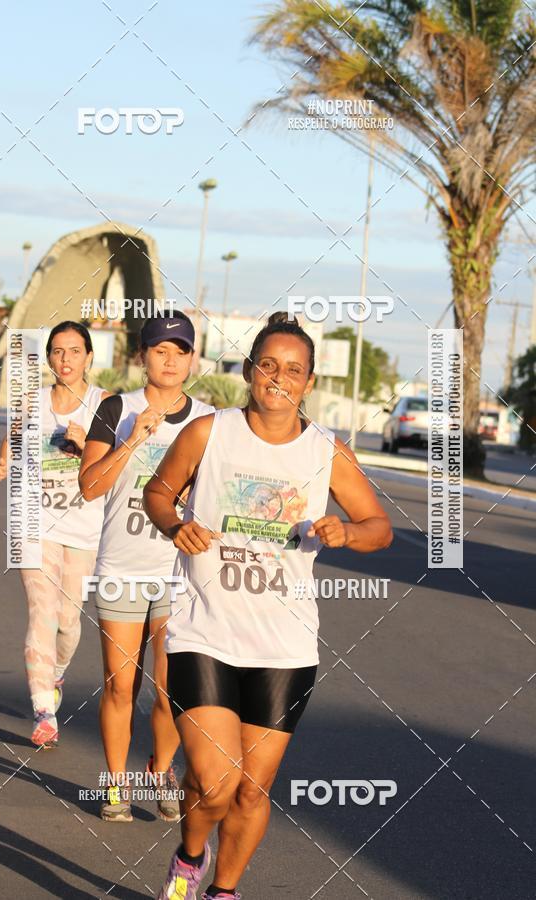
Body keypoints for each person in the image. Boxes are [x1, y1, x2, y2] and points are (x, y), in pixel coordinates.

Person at [144, 312, 393, 900]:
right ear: (250, 369)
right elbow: (158, 492)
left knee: (252, 791)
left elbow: (380, 527)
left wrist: (348, 532)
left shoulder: (325, 451)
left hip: (285, 647)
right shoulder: (209, 433)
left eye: (294, 370)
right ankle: (190, 855)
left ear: (309, 382)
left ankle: (223, 891)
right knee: (214, 782)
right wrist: (175, 525)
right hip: (204, 631)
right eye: (269, 365)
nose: (279, 378)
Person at [79, 310, 214, 823]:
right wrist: (133, 438)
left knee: (171, 689)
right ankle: (116, 784)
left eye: (181, 351)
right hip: (121, 568)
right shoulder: (117, 408)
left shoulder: (208, 421)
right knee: (120, 685)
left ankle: (160, 770)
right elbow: (90, 486)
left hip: (180, 572)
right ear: (143, 356)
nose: (171, 361)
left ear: (193, 359)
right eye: (160, 350)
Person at [0, 321, 111, 748]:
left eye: (74, 351)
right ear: (49, 358)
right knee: (42, 611)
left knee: (68, 621)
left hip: (84, 526)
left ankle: (55, 674)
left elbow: (116, 464)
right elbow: (11, 443)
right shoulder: (31, 401)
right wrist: (2, 466)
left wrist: (87, 446)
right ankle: (44, 711)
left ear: (89, 357)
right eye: (57, 351)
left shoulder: (104, 404)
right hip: (33, 522)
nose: (65, 359)